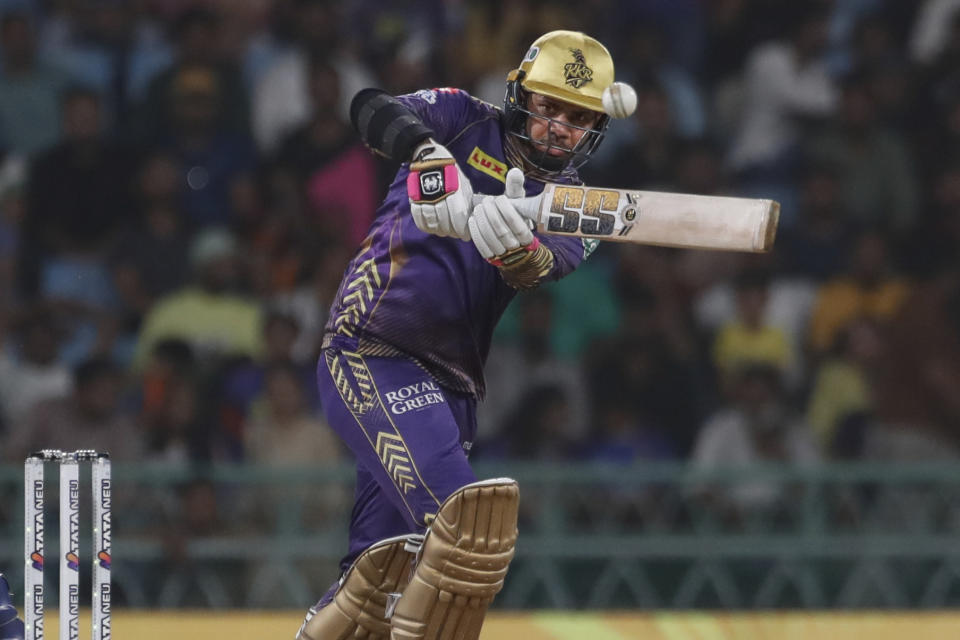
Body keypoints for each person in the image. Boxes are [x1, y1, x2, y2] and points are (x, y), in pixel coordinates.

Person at [296, 30, 618, 640]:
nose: (557, 128)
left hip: (455, 389)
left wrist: (515, 247)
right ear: (519, 95)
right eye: (548, 107)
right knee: (468, 527)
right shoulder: (462, 119)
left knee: (378, 577)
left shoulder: (578, 199)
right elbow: (369, 105)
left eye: (577, 118)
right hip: (372, 348)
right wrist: (426, 154)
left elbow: (544, 266)